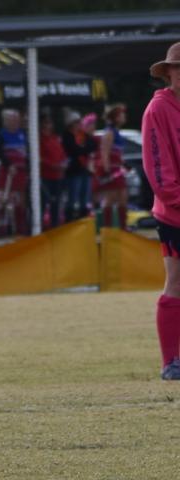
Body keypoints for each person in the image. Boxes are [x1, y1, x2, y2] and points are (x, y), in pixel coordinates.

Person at [142, 43, 180, 380]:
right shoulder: (158, 110)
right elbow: (159, 170)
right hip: (175, 215)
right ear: (168, 72)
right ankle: (171, 362)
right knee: (176, 282)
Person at [95, 102, 130, 230]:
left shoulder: (116, 132)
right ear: (115, 117)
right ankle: (108, 228)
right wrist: (107, 171)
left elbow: (118, 153)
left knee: (122, 197)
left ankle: (122, 227)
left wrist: (124, 164)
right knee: (110, 198)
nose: (124, 117)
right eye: (121, 115)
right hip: (112, 171)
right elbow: (104, 153)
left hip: (118, 169)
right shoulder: (109, 133)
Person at [0, 108, 28, 234]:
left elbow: (28, 152)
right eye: (11, 120)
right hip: (8, 172)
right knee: (4, 199)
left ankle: (21, 227)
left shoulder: (23, 134)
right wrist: (8, 165)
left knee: (21, 200)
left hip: (21, 172)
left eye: (16, 120)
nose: (14, 122)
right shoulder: (2, 134)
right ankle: (0, 226)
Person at [62, 111, 94, 220]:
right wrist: (83, 150)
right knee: (72, 197)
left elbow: (91, 146)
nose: (78, 125)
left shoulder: (83, 135)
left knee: (85, 199)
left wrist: (82, 150)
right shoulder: (67, 136)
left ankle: (83, 219)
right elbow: (73, 150)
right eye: (75, 123)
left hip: (84, 170)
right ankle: (69, 220)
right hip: (73, 171)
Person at [38, 113, 67, 227]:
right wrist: (52, 165)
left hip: (57, 176)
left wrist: (63, 163)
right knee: (44, 202)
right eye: (46, 123)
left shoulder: (55, 138)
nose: (48, 126)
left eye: (50, 123)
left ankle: (55, 225)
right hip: (45, 176)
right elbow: (40, 158)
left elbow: (62, 153)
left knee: (56, 203)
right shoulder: (40, 139)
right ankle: (39, 226)